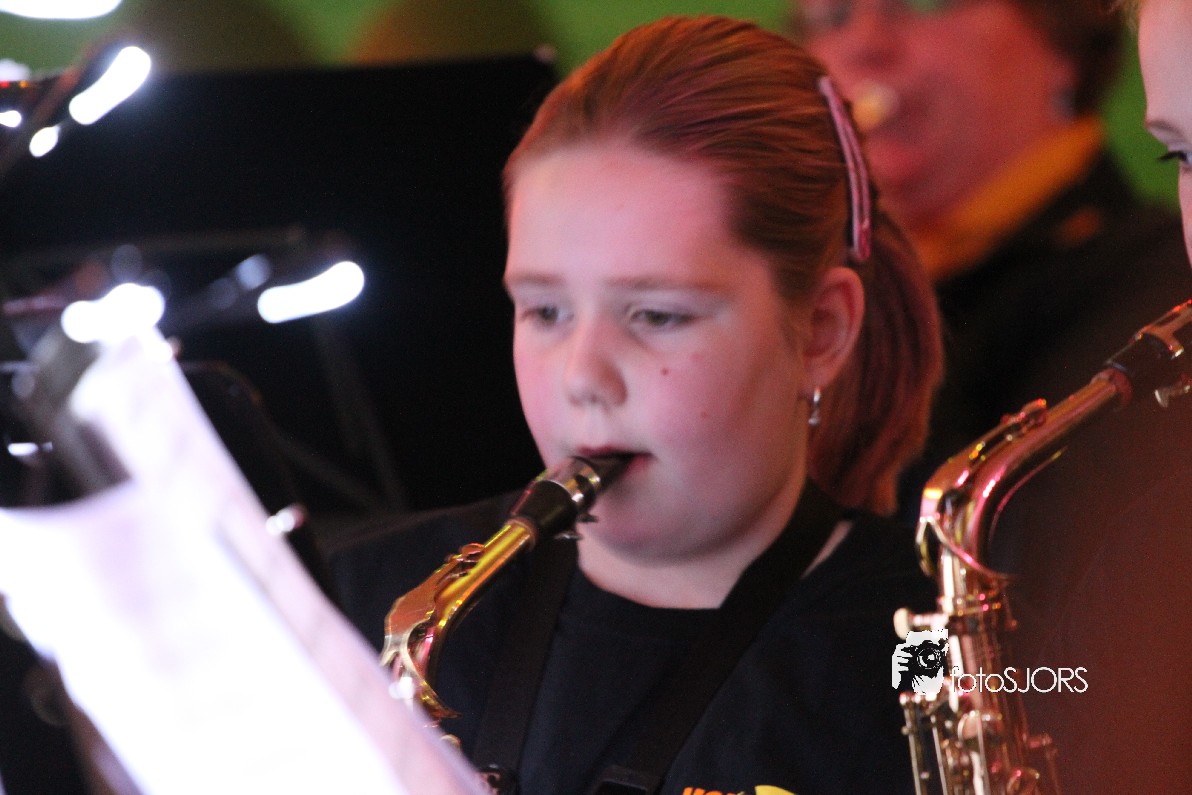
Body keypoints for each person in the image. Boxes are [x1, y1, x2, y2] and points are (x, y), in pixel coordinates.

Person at [330, 15, 944, 795]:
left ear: (821, 330)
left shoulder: (934, 650)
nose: (582, 375)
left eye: (656, 314)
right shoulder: (359, 598)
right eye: (545, 310)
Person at [795, 1, 1192, 791]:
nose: (864, 43)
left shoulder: (1140, 298)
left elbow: (1067, 664)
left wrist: (904, 684)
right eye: (830, 16)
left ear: (1062, 43)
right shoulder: (852, 293)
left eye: (919, 3)